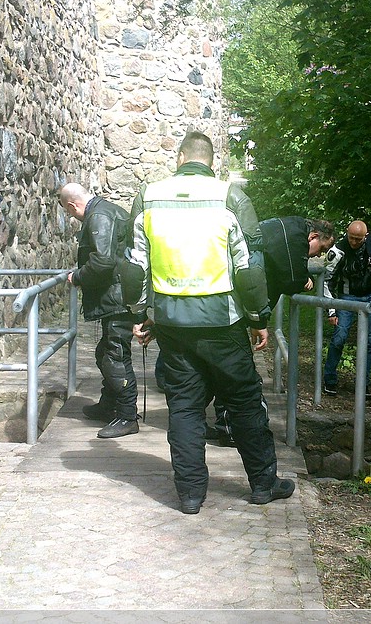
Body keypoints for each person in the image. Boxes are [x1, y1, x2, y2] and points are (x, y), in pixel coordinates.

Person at [127, 131, 294, 514]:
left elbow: (135, 266)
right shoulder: (229, 196)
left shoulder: (149, 196)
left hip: (172, 323)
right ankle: (263, 485)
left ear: (180, 156)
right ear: (211, 160)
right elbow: (249, 268)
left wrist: (142, 315)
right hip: (223, 322)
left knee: (184, 406)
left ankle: (189, 495)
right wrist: (258, 319)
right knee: (244, 402)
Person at [206, 216, 335, 445]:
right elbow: (290, 279)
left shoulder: (287, 228)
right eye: (320, 249)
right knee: (235, 372)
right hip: (235, 308)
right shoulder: (294, 237)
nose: (316, 256)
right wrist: (302, 279)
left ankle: (217, 423)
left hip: (229, 303)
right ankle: (229, 428)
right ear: (313, 236)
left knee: (223, 368)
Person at [58, 183, 140, 439]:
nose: (73, 217)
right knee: (106, 351)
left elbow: (103, 261)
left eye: (70, 213)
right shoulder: (108, 210)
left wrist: (78, 277)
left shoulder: (99, 216)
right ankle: (109, 405)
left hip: (116, 298)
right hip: (117, 295)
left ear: (72, 206)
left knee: (115, 356)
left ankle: (127, 415)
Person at [320, 220, 371, 397]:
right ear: (346, 234)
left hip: (370, 296)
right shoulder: (337, 251)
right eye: (351, 238)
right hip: (347, 298)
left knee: (368, 343)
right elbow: (327, 281)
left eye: (358, 239)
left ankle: (364, 384)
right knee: (339, 338)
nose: (354, 242)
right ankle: (329, 380)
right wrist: (331, 311)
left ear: (364, 237)